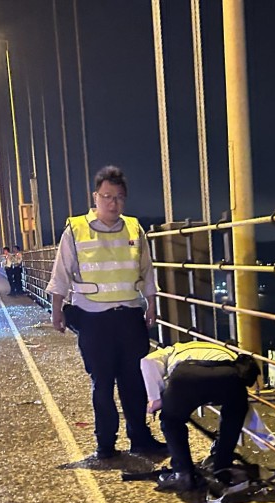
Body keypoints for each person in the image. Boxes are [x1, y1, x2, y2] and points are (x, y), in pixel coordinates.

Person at [47, 165, 167, 459]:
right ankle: (105, 443)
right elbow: (61, 273)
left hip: (129, 316)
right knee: (102, 383)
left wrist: (151, 304)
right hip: (94, 320)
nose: (113, 204)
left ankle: (139, 438)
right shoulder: (76, 229)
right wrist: (56, 309)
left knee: (134, 382)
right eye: (107, 197)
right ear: (95, 197)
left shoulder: (134, 228)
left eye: (119, 198)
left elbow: (147, 271)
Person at [141, 341, 261, 492]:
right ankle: (222, 466)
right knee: (235, 411)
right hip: (229, 374)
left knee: (171, 421)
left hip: (187, 375)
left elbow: (147, 361)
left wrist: (154, 398)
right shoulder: (221, 350)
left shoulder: (171, 351)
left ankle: (183, 474)